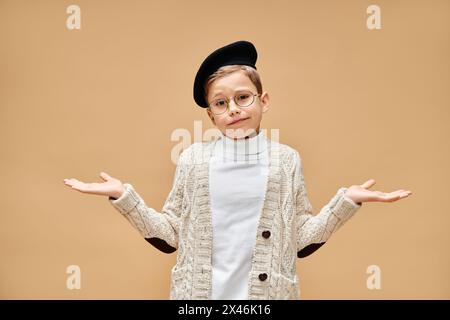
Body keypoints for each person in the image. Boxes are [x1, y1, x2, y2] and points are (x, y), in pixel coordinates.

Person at [63, 40, 412, 300]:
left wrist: (346, 202)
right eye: (220, 103)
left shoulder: (286, 161)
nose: (233, 109)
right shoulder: (193, 160)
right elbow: (170, 236)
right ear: (210, 115)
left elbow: (300, 240)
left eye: (243, 97)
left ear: (264, 100)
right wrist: (124, 197)